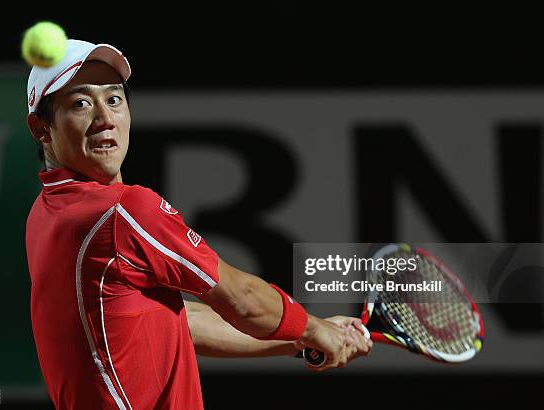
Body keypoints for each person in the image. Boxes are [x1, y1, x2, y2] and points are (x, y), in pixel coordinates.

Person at [25, 39, 372, 410]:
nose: (105, 118)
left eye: (114, 99)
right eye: (80, 103)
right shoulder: (122, 212)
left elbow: (174, 321)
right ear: (42, 127)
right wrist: (312, 328)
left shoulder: (45, 213)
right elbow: (244, 300)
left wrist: (303, 337)